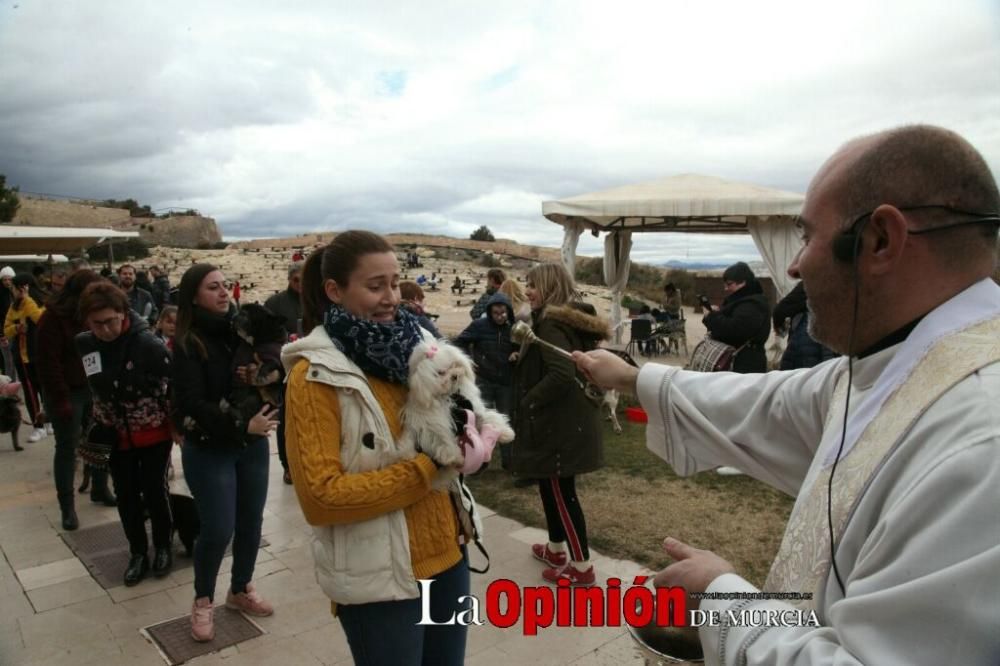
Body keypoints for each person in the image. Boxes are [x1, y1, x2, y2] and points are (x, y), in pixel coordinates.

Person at [572, 125, 1000, 664]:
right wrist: (632, 378)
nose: (794, 267)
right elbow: (763, 402)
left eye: (807, 235)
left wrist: (721, 594)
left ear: (880, 240)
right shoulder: (893, 362)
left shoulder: (983, 436)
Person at [282, 230, 475, 666]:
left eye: (394, 282)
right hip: (379, 580)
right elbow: (321, 497)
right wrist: (428, 468)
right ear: (334, 291)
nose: (391, 297)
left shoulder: (418, 348)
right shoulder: (314, 377)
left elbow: (447, 429)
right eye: (375, 286)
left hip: (448, 555)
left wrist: (468, 436)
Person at [173, 264, 278, 642]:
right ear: (194, 296)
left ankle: (240, 589)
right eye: (213, 287)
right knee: (218, 529)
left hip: (251, 446)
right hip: (210, 448)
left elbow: (264, 373)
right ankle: (203, 600)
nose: (223, 293)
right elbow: (191, 403)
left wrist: (260, 379)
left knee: (250, 523)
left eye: (225, 286)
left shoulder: (243, 333)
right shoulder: (187, 343)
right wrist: (239, 425)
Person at [511, 263, 608, 586]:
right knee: (549, 486)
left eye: (533, 285)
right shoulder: (564, 319)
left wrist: (529, 401)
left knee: (561, 492)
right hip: (566, 422)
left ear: (550, 287)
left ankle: (582, 568)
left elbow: (562, 374)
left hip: (559, 425)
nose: (528, 291)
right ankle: (555, 549)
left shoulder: (551, 323)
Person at [76, 282, 174, 586]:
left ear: (123, 313)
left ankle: (164, 547)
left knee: (155, 490)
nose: (105, 329)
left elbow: (171, 390)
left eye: (110, 321)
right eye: (97, 324)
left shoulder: (149, 345)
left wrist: (176, 427)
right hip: (112, 434)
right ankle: (137, 553)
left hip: (153, 432)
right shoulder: (85, 343)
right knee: (126, 495)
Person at [36, 270, 115, 530]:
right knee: (67, 448)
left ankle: (100, 489)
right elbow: (49, 363)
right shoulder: (52, 319)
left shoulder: (89, 316)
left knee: (99, 439)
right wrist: (61, 400)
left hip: (91, 388)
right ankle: (67, 507)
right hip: (66, 390)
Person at [453, 292, 515, 468]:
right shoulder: (479, 325)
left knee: (506, 421)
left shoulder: (514, 327)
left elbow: (522, 348)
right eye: (496, 313)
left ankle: (509, 463)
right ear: (490, 311)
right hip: (484, 380)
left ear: (508, 311)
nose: (500, 317)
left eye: (503, 313)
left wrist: (516, 354)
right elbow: (459, 342)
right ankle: (479, 461)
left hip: (505, 381)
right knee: (480, 420)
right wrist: (468, 361)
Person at [265, 262, 303, 485]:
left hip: (312, 364)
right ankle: (288, 465)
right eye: (297, 280)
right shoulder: (275, 303)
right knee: (287, 417)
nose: (301, 285)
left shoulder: (315, 301)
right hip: (285, 366)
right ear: (290, 279)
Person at [701, 262, 771, 373]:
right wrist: (717, 314)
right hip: (736, 362)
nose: (726, 288)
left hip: (745, 365)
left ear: (743, 282)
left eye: (729, 284)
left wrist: (711, 316)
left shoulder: (753, 304)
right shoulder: (742, 300)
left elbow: (734, 330)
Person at [4, 274, 46, 442]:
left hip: (41, 354)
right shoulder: (14, 306)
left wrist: (27, 300)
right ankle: (38, 426)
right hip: (23, 357)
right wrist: (16, 328)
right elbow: (6, 329)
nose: (12, 291)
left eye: (13, 288)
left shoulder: (40, 303)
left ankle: (48, 422)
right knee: (30, 393)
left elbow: (39, 319)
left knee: (45, 390)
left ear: (22, 287)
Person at [772, 281, 837, 370]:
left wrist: (781, 332)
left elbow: (780, 310)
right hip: (814, 359)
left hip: (807, 358)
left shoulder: (811, 284)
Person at [0, 266, 14, 378]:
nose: (7, 282)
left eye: (9, 279)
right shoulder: (1, 294)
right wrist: (1, 334)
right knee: (8, 360)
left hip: (16, 330)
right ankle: (10, 383)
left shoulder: (14, 293)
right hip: (4, 331)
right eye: (4, 279)